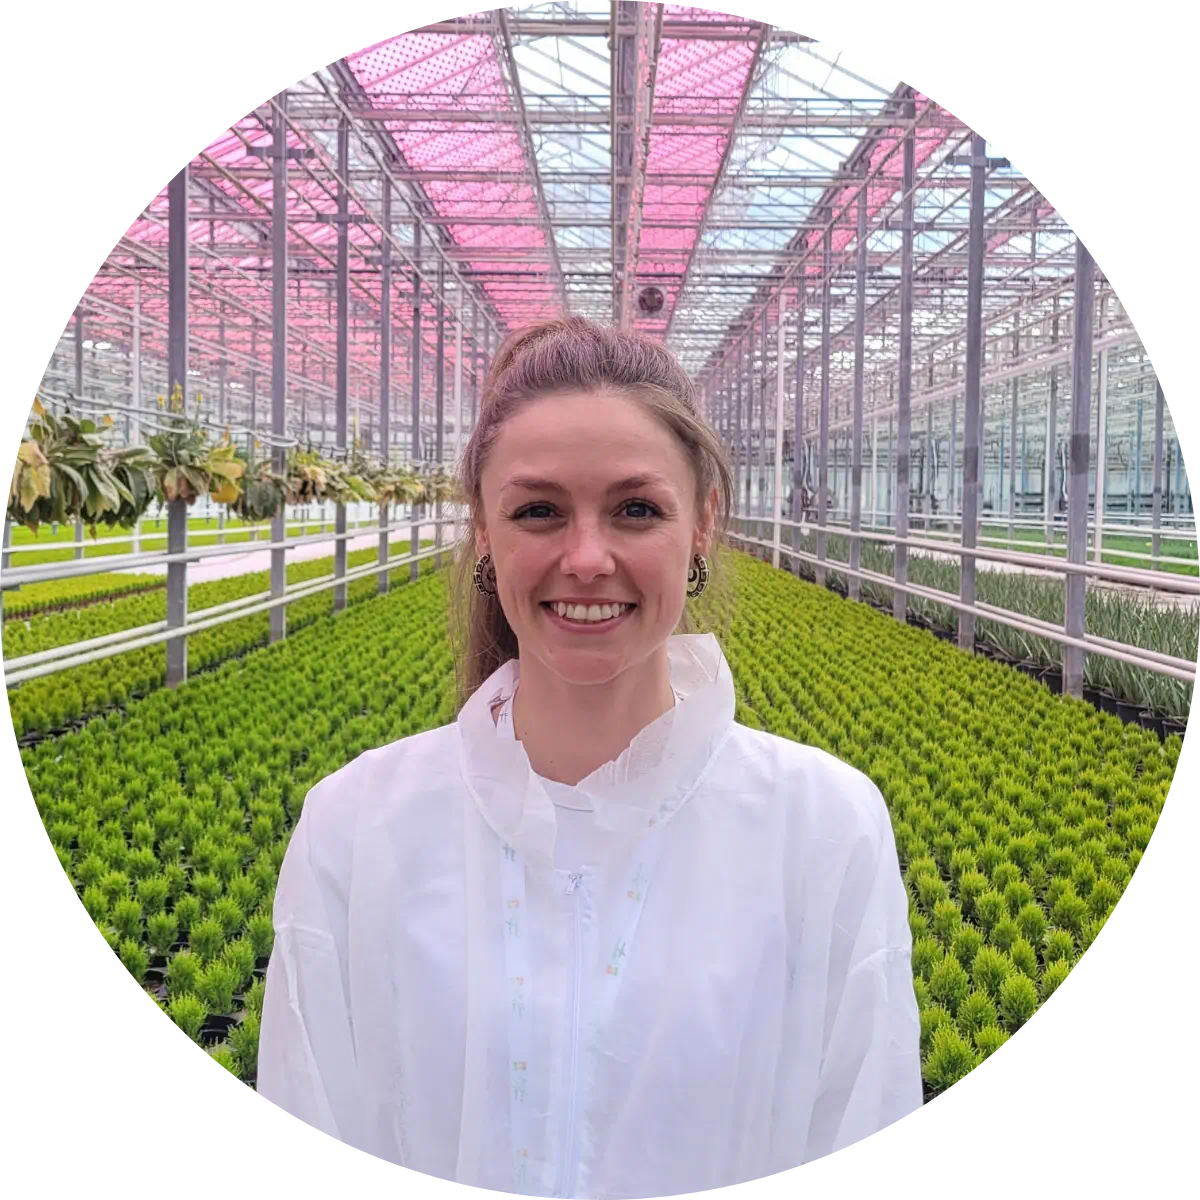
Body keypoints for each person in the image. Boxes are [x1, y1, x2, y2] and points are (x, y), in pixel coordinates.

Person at [256, 316, 923, 1197]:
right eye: (538, 510)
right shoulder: (357, 827)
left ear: (703, 526)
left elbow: (860, 1111)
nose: (586, 556)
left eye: (636, 509)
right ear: (484, 533)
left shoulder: (821, 826)